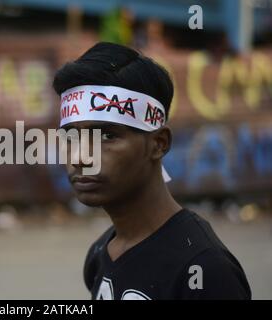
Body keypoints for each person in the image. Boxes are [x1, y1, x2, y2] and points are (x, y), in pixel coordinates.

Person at [52, 42, 251, 300]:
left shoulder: (204, 270)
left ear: (159, 144)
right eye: (70, 137)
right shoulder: (101, 254)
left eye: (107, 136)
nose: (80, 157)